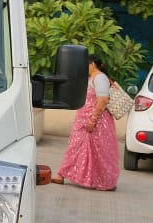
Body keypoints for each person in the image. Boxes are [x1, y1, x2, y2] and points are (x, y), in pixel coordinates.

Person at [51, 55, 120, 190]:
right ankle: (62, 174)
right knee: (75, 148)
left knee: (98, 153)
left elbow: (103, 100)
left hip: (96, 124)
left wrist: (92, 121)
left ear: (92, 64)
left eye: (85, 65)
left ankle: (105, 182)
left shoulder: (100, 78)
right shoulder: (91, 78)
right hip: (83, 121)